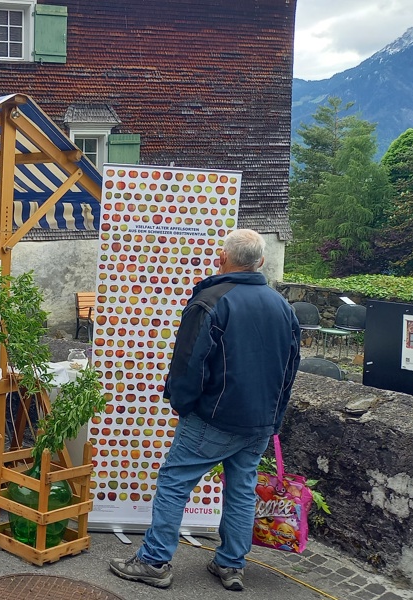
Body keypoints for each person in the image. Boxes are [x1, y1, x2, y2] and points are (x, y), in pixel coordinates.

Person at [109, 229, 301, 592]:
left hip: (214, 416)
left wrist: (184, 405)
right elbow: (290, 368)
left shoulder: (211, 300)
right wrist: (274, 418)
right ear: (260, 262)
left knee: (174, 483)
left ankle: (153, 561)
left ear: (221, 258)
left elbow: (189, 364)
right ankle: (231, 564)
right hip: (260, 421)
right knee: (242, 488)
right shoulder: (283, 306)